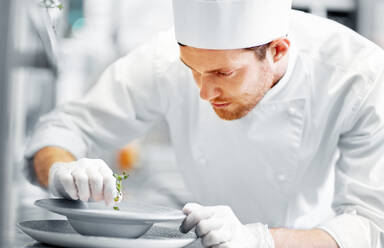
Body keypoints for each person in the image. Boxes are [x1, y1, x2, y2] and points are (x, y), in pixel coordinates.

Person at [25, 0, 384, 247]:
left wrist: (260, 241)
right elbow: (63, 127)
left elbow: (371, 226)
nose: (204, 92)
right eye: (192, 70)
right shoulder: (164, 58)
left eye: (223, 73)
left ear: (277, 51)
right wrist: (61, 169)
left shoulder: (358, 75)